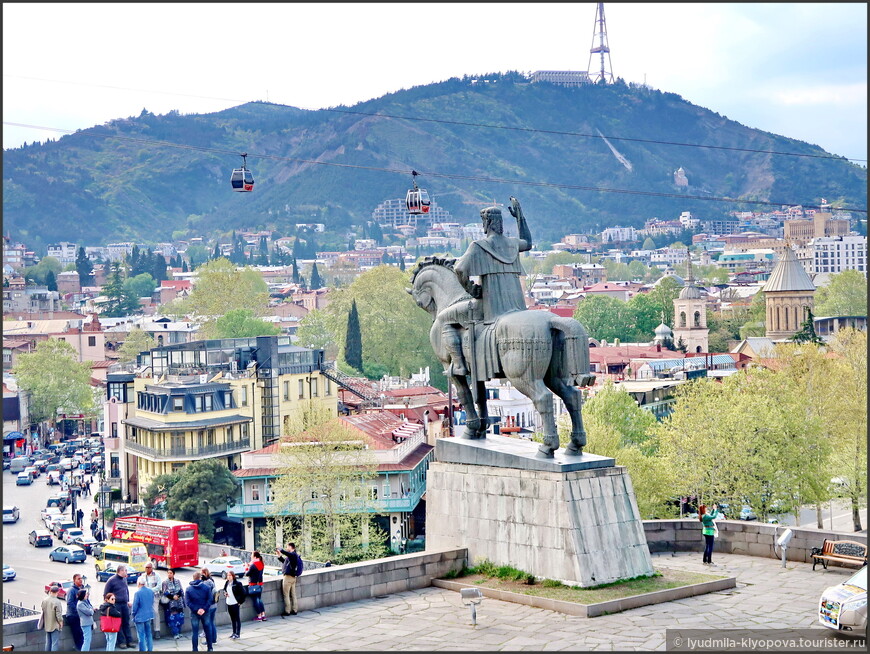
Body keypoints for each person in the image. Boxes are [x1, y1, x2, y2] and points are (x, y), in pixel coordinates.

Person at [440, 198, 532, 377]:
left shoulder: (479, 246)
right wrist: (520, 218)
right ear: (500, 224)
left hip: (493, 307)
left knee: (444, 320)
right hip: (517, 305)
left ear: (487, 223)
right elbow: (528, 242)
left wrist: (472, 289)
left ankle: (458, 365)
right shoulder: (513, 243)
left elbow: (459, 269)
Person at [103, 564, 134, 649]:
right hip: (116, 605)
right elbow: (106, 594)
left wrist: (128, 600)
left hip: (124, 604)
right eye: (125, 570)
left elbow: (126, 591)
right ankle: (121, 642)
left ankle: (129, 640)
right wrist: (109, 604)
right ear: (120, 571)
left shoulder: (124, 579)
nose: (126, 572)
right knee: (118, 624)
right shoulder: (111, 580)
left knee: (126, 623)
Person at [185, 571, 213, 652]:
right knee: (208, 630)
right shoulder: (206, 587)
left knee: (195, 632)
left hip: (194, 613)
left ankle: (195, 649)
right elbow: (210, 599)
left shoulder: (188, 589)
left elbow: (188, 602)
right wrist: (203, 609)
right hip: (205, 612)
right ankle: (210, 648)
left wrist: (196, 609)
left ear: (193, 578)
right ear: (200, 578)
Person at [276, 542, 302, 616]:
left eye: (287, 547)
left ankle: (287, 611)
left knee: (286, 595)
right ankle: (294, 610)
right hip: (293, 578)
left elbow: (285, 553)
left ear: (291, 547)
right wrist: (279, 556)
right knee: (293, 594)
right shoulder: (294, 556)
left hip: (288, 578)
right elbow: (285, 563)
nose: (287, 548)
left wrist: (280, 548)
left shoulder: (293, 554)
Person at [161, 568, 185, 640]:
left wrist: (177, 596)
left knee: (179, 617)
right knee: (172, 619)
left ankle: (179, 632)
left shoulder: (178, 581)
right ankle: (175, 633)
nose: (169, 574)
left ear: (173, 574)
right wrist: (172, 597)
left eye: (170, 573)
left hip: (179, 602)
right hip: (171, 604)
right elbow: (164, 592)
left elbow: (181, 590)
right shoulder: (165, 582)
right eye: (168, 573)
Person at [131, 577, 154, 652]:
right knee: (149, 634)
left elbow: (135, 607)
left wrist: (133, 614)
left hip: (140, 617)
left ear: (138, 583)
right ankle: (150, 649)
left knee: (141, 636)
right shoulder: (150, 591)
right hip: (149, 615)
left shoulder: (138, 593)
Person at [38, 584, 65, 651]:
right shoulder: (57, 601)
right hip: (55, 625)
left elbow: (43, 610)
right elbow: (58, 615)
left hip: (47, 624)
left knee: (48, 642)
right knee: (54, 643)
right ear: (57, 592)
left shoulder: (45, 600)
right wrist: (61, 622)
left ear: (50, 591)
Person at [141, 561, 163, 640]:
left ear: (152, 568)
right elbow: (140, 585)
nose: (147, 569)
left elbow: (159, 586)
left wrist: (150, 590)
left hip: (155, 596)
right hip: (146, 597)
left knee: (155, 612)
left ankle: (157, 630)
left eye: (148, 567)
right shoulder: (143, 576)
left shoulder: (157, 575)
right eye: (146, 567)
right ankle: (148, 631)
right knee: (146, 613)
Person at [222, 570, 246, 639]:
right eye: (228, 575)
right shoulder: (227, 583)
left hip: (235, 603)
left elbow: (243, 593)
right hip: (229, 602)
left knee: (237, 618)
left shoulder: (237, 584)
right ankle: (233, 632)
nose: (228, 577)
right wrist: (225, 593)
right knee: (232, 619)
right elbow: (224, 590)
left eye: (230, 575)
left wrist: (240, 602)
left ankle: (237, 633)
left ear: (233, 576)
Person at [65, 572, 86, 650]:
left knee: (82, 633)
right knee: (77, 633)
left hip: (81, 615)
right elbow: (69, 602)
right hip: (73, 615)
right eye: (78, 579)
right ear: (74, 580)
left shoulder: (82, 588)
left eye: (81, 578)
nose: (81, 580)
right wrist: (78, 610)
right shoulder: (72, 590)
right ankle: (79, 648)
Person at [246, 550, 266, 621]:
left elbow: (247, 574)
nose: (251, 557)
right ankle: (263, 614)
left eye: (252, 556)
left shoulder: (253, 565)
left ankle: (259, 616)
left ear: (254, 557)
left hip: (253, 585)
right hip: (260, 584)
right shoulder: (261, 564)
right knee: (259, 600)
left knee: (255, 601)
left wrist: (247, 567)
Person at [200, 567, 218, 645]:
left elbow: (203, 593)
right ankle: (214, 639)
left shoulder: (206, 582)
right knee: (212, 622)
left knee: (208, 623)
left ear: (204, 573)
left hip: (209, 606)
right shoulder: (211, 580)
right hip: (214, 605)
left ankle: (209, 640)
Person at [76, 587, 95, 652]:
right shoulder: (80, 604)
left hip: (88, 623)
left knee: (88, 640)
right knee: (87, 640)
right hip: (85, 624)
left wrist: (91, 609)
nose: (87, 595)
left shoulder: (85, 602)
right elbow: (90, 612)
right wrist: (91, 610)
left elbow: (91, 607)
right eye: (86, 594)